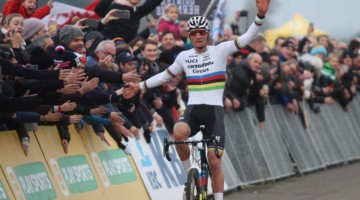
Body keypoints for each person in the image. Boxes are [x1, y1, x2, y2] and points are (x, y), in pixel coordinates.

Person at [124, 1, 270, 199]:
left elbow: (245, 39)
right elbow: (165, 76)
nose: (198, 35)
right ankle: (189, 177)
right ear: (190, 36)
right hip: (193, 110)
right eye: (194, 33)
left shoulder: (220, 50)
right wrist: (141, 86)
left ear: (207, 34)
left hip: (214, 113)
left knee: (214, 161)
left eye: (202, 32)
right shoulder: (184, 56)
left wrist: (259, 16)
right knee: (178, 131)